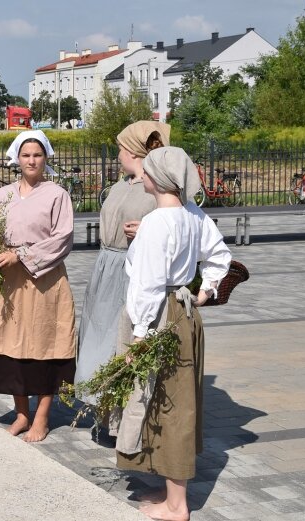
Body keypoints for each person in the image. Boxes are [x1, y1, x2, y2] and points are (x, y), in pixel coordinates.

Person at [116, 146, 231, 521]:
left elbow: (147, 286)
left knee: (169, 404)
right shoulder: (192, 215)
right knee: (172, 400)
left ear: (157, 178)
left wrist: (141, 335)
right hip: (183, 313)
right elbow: (219, 256)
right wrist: (204, 290)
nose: (142, 176)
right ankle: (168, 488)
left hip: (162, 317)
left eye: (146, 171)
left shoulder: (156, 223)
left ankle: (177, 505)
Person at [0, 130, 76, 443]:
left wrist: (22, 255)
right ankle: (21, 413)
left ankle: (42, 416)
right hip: (10, 284)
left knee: (47, 346)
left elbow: (63, 237)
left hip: (44, 281)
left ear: (46, 158)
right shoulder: (0, 196)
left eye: (37, 155)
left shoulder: (57, 194)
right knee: (11, 346)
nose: (32, 161)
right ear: (17, 159)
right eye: (26, 155)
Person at [74, 121, 170, 409]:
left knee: (122, 338)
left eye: (120, 149)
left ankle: (122, 408)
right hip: (106, 267)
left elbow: (174, 224)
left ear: (133, 151)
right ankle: (100, 400)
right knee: (97, 334)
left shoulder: (158, 187)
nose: (117, 156)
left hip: (132, 269)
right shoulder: (120, 186)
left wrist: (147, 229)